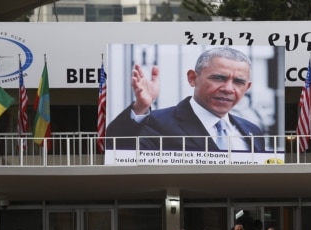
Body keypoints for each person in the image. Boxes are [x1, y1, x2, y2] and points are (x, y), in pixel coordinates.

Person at [106, 46, 265, 152]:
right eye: (218, 78)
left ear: (247, 87)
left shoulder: (253, 130)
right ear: (192, 78)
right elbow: (116, 148)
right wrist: (140, 107)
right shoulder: (156, 122)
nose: (228, 89)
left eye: (238, 82)